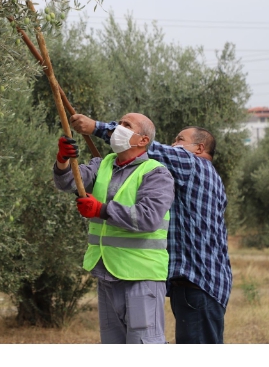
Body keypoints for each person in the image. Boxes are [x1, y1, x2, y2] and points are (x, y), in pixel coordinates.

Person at [70, 114, 232, 344]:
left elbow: (153, 149)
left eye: (180, 139)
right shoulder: (207, 178)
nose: (174, 144)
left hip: (198, 280)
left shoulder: (193, 165)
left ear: (199, 147)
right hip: (203, 280)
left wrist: (97, 127)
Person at [54, 113, 175, 344]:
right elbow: (68, 182)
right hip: (106, 272)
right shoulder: (103, 164)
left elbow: (148, 218)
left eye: (126, 125)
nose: (118, 128)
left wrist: (101, 210)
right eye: (119, 123)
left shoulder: (157, 173)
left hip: (141, 275)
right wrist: (63, 160)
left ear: (143, 140)